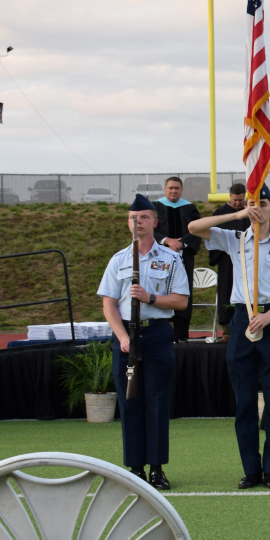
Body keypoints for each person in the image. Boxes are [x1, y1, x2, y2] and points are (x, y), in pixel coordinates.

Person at [189, 184, 270, 489]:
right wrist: (237, 215)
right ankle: (251, 470)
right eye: (252, 204)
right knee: (244, 401)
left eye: (263, 204)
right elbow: (193, 228)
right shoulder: (236, 239)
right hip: (243, 321)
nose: (258, 209)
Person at [98, 194, 190, 490]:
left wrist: (150, 298)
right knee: (130, 403)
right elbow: (109, 304)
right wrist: (123, 337)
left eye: (143, 217)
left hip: (157, 334)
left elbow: (181, 301)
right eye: (132, 218)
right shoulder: (119, 260)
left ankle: (156, 469)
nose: (137, 222)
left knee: (157, 403)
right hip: (127, 337)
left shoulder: (171, 259)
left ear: (155, 222)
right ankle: (134, 469)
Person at [153, 177, 202, 342]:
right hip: (160, 256)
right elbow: (151, 228)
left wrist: (181, 244)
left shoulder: (190, 208)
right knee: (160, 288)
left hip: (183, 256)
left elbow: (197, 229)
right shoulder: (155, 207)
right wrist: (168, 240)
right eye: (170, 188)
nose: (173, 191)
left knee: (183, 290)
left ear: (182, 190)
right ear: (165, 189)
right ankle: (161, 335)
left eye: (176, 188)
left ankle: (181, 335)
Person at [206, 183, 250, 339]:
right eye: (234, 200)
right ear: (230, 197)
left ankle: (247, 324)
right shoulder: (220, 213)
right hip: (226, 259)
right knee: (226, 290)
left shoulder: (249, 212)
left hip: (246, 259)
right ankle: (227, 328)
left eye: (240, 200)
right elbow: (212, 233)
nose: (237, 203)